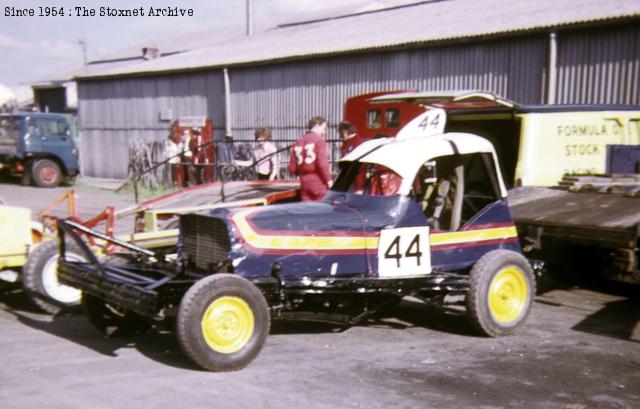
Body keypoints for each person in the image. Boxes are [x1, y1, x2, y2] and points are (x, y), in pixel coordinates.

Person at [289, 116, 332, 201]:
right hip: (318, 180)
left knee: (307, 210)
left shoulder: (298, 142)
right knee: (322, 210)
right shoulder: (319, 141)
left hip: (304, 181)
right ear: (317, 126)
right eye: (324, 128)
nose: (325, 132)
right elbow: (322, 164)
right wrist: (329, 180)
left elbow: (292, 168)